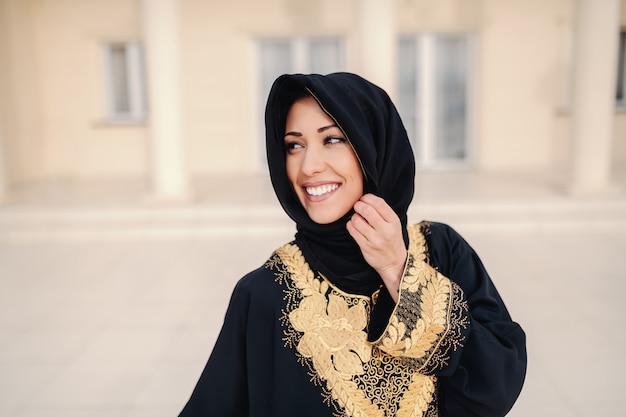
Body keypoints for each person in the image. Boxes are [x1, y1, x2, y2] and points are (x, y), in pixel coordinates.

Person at [178, 72, 526, 417]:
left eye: (332, 139)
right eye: (294, 145)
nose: (309, 167)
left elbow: (497, 386)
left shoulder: (441, 249)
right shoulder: (265, 292)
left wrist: (396, 270)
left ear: (372, 145)